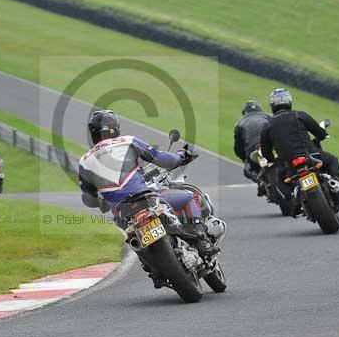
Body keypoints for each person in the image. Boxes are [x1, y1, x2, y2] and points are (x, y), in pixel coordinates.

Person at [78, 110, 219, 258]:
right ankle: (203, 241)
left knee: (134, 241)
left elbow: (88, 198)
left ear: (92, 133)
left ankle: (156, 274)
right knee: (190, 197)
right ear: (116, 128)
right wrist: (180, 156)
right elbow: (161, 158)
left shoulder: (84, 160)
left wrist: (103, 202)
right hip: (146, 200)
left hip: (122, 215)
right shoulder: (127, 141)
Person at [259, 88, 339, 192]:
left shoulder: (267, 126)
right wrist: (322, 135)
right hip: (309, 154)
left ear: (272, 105)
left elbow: (265, 151)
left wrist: (274, 161)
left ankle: (292, 202)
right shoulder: (299, 115)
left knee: (280, 183)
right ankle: (337, 183)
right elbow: (319, 133)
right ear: (289, 101)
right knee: (332, 160)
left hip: (287, 162)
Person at [233, 100, 271, 196]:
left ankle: (260, 181)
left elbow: (238, 148)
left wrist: (244, 158)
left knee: (247, 169)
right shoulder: (268, 117)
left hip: (254, 151)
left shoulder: (239, 124)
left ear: (244, 112)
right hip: (270, 148)